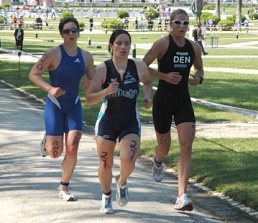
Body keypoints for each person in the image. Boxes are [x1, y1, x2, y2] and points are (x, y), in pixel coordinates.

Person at [142, 8, 204, 212]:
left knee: (186, 145)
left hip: (183, 100)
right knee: (165, 147)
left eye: (186, 23)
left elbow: (199, 69)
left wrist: (198, 79)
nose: (182, 27)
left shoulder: (193, 47)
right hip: (163, 100)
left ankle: (181, 196)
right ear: (170, 24)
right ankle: (158, 159)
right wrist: (164, 76)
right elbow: (142, 67)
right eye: (178, 22)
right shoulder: (163, 44)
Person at [85, 29, 152, 214]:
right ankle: (106, 196)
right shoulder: (103, 68)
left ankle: (121, 182)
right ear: (111, 46)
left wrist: (147, 96)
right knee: (105, 163)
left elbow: (147, 81)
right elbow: (89, 99)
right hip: (107, 120)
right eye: (119, 43)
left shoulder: (138, 66)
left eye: (127, 44)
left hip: (130, 120)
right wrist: (106, 92)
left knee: (129, 161)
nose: (123, 47)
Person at [28, 17, 94, 201]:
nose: (71, 34)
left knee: (72, 147)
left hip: (74, 105)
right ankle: (47, 140)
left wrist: (90, 84)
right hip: (55, 104)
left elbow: (93, 80)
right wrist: (50, 88)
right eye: (67, 31)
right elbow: (33, 74)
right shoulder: (53, 53)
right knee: (55, 153)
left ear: (78, 32)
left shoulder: (87, 56)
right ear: (61, 34)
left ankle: (64, 187)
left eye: (74, 30)